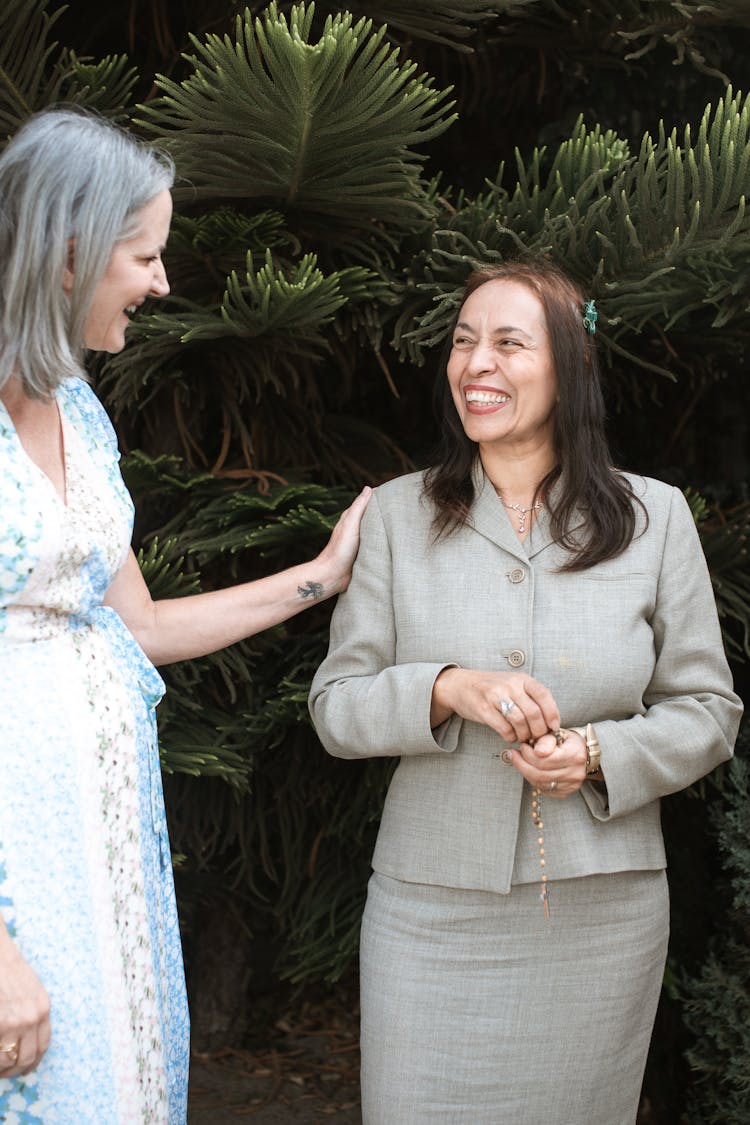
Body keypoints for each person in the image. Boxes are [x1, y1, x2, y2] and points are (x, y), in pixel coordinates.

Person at [0, 107, 370, 1124]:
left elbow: (141, 627)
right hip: (13, 877)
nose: (162, 282)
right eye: (146, 254)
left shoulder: (79, 407)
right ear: (71, 251)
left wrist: (323, 575)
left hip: (103, 848)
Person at [309, 259, 743, 1124]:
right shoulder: (396, 514)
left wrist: (595, 753)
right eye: (465, 342)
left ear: (569, 367)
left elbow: (710, 709)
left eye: (509, 342)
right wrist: (445, 687)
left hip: (601, 913)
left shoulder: (655, 518)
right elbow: (337, 705)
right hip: (429, 908)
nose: (477, 363)